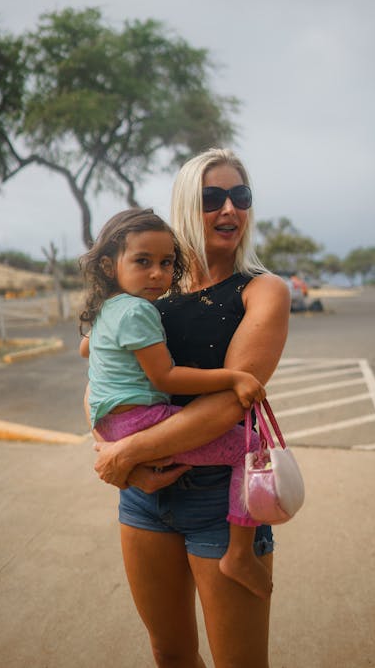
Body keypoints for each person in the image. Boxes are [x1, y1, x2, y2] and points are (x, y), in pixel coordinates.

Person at [92, 148, 290, 668]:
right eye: (212, 198)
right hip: (143, 497)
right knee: (171, 653)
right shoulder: (151, 286)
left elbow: (228, 405)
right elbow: (103, 374)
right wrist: (112, 453)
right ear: (185, 204)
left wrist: (124, 454)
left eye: (240, 196)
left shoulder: (262, 290)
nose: (229, 209)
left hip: (218, 505)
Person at [79, 207, 271, 598]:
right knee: (251, 447)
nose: (156, 274)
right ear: (108, 265)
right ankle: (238, 553)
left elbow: (87, 351)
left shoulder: (108, 310)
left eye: (166, 263)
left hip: (112, 423)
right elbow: (164, 377)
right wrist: (233, 377)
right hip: (143, 421)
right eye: (142, 262)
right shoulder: (137, 310)